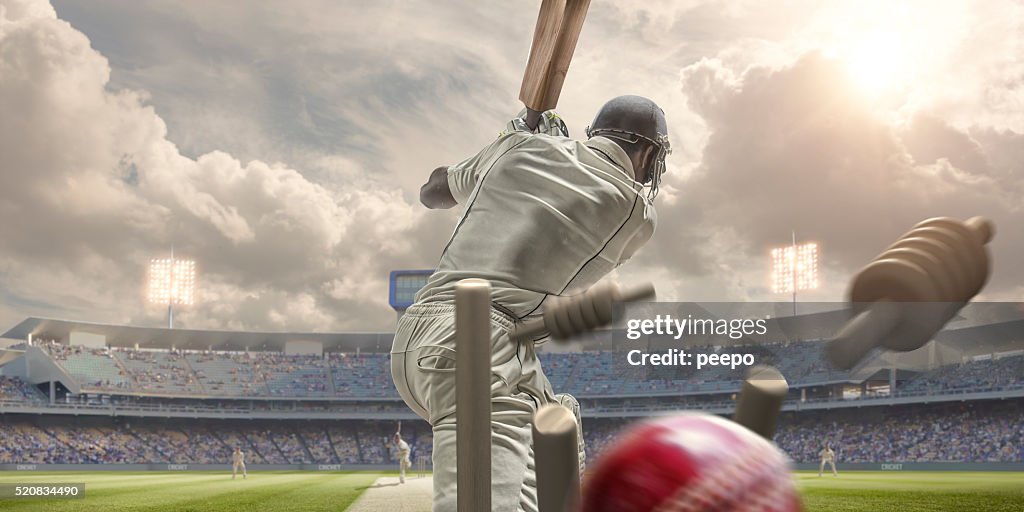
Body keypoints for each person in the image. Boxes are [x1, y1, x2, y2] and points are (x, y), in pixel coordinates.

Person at [392, 95, 670, 511]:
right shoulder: (636, 216)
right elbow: (570, 192)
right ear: (649, 152)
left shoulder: (517, 148)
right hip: (481, 348)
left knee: (558, 425)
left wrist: (507, 140)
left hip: (417, 339)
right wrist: (533, 144)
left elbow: (432, 192)